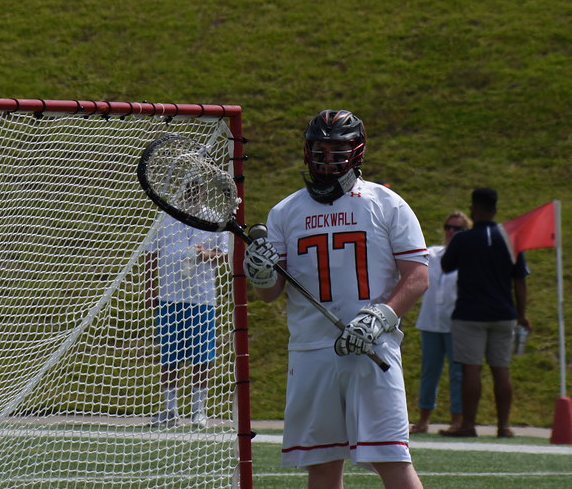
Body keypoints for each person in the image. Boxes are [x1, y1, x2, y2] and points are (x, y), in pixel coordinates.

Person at [243, 109, 429, 489]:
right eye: (319, 149)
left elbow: (418, 276)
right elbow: (268, 293)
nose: (327, 158)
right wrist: (260, 273)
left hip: (371, 348)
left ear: (356, 151)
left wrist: (381, 316)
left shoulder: (387, 203)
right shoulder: (285, 211)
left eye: (336, 149)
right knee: (323, 465)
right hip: (311, 352)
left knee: (390, 457)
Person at [440, 187, 530, 438]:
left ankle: (468, 425)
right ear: (496, 209)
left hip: (470, 313)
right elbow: (520, 281)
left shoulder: (463, 239)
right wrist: (521, 315)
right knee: (501, 369)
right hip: (504, 313)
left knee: (472, 369)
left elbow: (447, 267)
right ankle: (503, 426)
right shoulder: (511, 238)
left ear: (473, 209)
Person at [145, 206, 229, 429]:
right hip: (169, 295)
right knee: (169, 355)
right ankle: (170, 409)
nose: (192, 192)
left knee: (202, 356)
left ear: (203, 192)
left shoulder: (214, 217)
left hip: (202, 297)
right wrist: (149, 288)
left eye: (197, 188)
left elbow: (225, 254)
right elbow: (151, 253)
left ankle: (198, 411)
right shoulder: (165, 216)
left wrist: (205, 255)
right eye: (189, 187)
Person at [410, 210, 471, 435]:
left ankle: (458, 419)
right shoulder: (432, 254)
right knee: (429, 372)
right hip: (430, 322)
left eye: (458, 229)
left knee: (457, 374)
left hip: (456, 323)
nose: (451, 233)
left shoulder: (469, 258)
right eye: (449, 227)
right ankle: (424, 419)